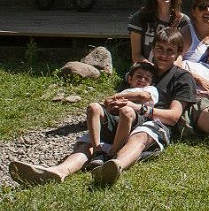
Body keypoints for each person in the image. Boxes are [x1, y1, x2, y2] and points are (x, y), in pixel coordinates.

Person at [9, 29, 196, 187]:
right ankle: (58, 171)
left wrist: (141, 110)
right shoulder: (142, 70)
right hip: (122, 117)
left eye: (170, 51)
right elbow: (122, 95)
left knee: (141, 134)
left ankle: (114, 166)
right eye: (159, 49)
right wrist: (111, 104)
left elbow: (173, 116)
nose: (163, 55)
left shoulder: (182, 78)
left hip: (153, 122)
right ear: (153, 49)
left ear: (178, 52)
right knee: (89, 140)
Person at [85, 62, 159, 168]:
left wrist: (117, 96)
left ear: (151, 83)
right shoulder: (125, 91)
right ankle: (98, 152)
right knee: (93, 107)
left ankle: (112, 153)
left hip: (135, 119)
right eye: (139, 76)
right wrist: (112, 105)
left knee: (126, 110)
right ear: (129, 79)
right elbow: (107, 102)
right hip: (116, 118)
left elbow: (142, 96)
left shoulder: (150, 89)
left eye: (147, 79)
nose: (142, 80)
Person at [128, 0, 188, 64]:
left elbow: (181, 54)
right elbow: (136, 55)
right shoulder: (139, 18)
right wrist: (151, 69)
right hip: (146, 70)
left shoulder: (182, 21)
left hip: (171, 70)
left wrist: (169, 70)